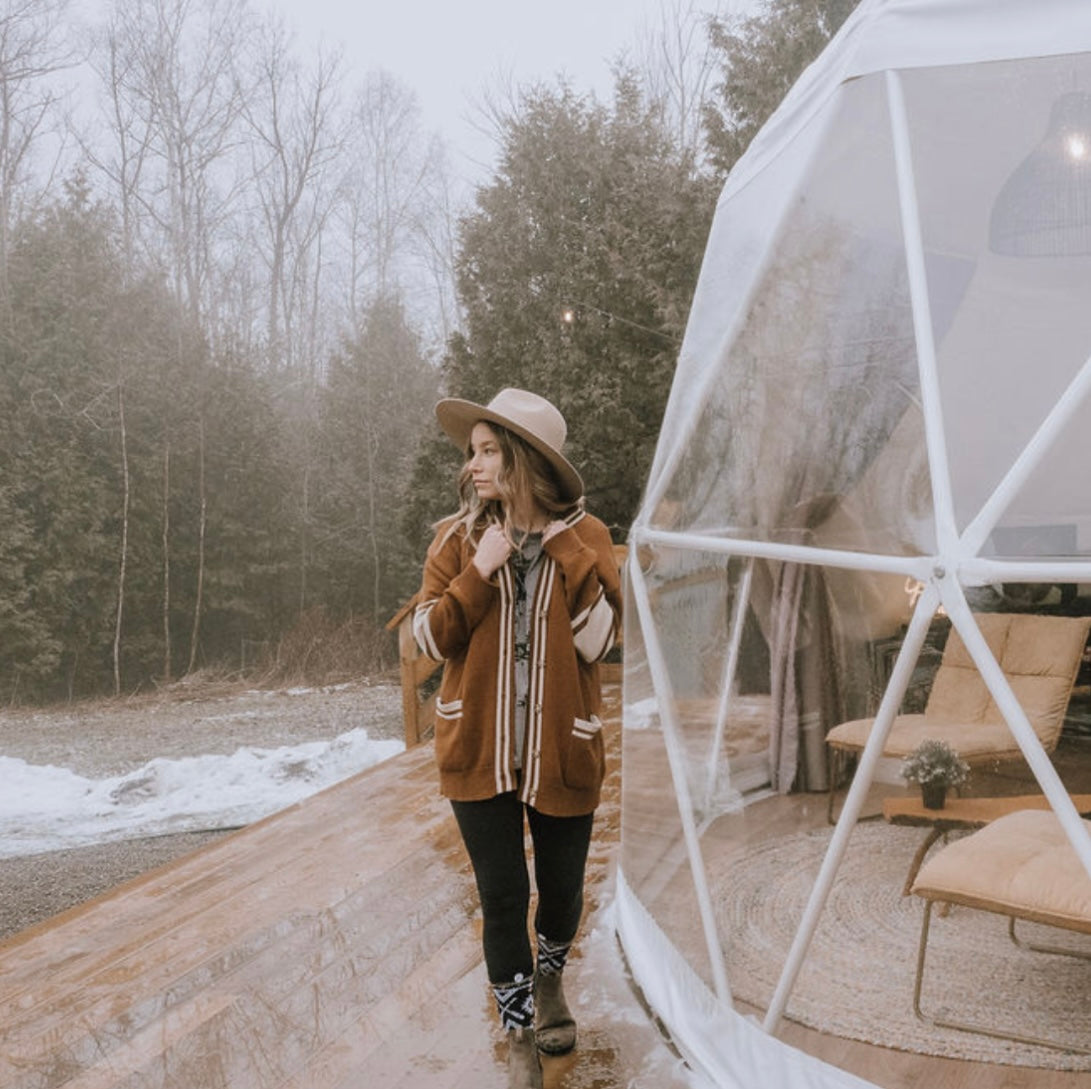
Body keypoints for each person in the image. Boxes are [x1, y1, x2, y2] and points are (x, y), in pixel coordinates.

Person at [412, 388, 622, 1089]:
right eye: (470, 451)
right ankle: (518, 1026)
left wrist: (562, 549)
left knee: (560, 892)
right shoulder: (456, 539)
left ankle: (551, 974)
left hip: (562, 748)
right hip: (477, 750)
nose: (471, 465)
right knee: (502, 897)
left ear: (524, 459)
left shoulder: (584, 539)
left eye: (487, 450)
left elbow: (600, 641)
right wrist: (477, 572)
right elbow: (428, 637)